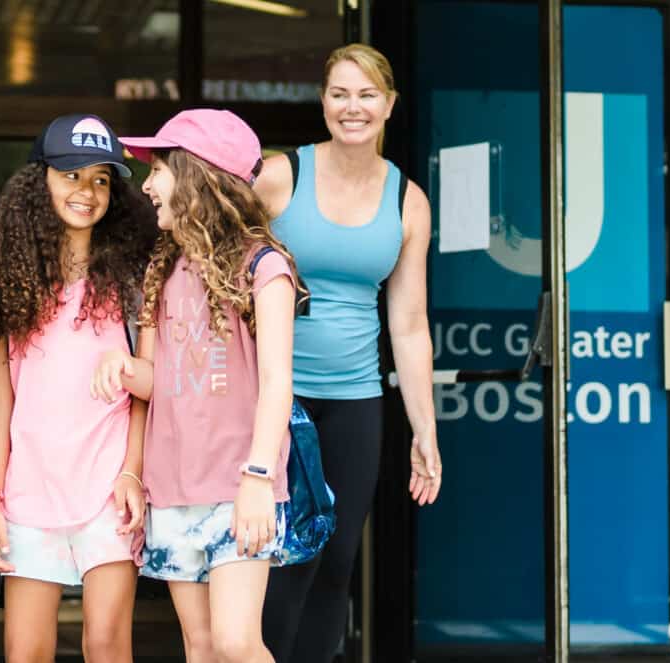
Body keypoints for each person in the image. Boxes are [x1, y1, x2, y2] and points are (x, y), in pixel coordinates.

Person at [253, 43, 442, 663]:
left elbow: (409, 325)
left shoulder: (408, 201)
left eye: (366, 95)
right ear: (323, 101)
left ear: (389, 105)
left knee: (336, 559)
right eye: (339, 93)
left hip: (356, 399)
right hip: (276, 396)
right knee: (280, 553)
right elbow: (221, 277)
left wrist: (425, 430)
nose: (352, 107)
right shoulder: (282, 176)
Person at [101, 108, 309, 663]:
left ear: (198, 175)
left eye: (159, 168)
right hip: (172, 490)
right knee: (202, 647)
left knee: (239, 642)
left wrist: (260, 478)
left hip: (241, 484)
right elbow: (158, 379)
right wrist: (120, 369)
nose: (146, 184)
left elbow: (277, 383)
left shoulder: (265, 268)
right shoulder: (161, 269)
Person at [0, 113, 158, 663]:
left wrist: (131, 471)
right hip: (29, 490)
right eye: (72, 175)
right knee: (25, 651)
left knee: (106, 645)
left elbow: (148, 391)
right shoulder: (10, 278)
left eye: (102, 179)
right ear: (40, 181)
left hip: (108, 490)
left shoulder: (134, 278)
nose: (88, 191)